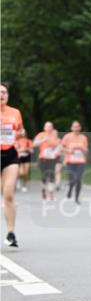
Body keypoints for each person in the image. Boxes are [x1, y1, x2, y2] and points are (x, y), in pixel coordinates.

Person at [1, 83, 24, 247]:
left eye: (4, 92)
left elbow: (21, 130)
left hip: (10, 154)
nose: (1, 95)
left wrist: (20, 134)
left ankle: (11, 233)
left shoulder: (15, 112)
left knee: (8, 194)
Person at [61, 121, 89, 203]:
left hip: (80, 161)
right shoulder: (67, 137)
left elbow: (86, 150)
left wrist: (84, 150)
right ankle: (70, 189)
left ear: (80, 128)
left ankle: (77, 198)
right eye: (74, 127)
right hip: (70, 161)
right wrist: (69, 150)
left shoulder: (83, 138)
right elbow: (61, 148)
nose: (76, 128)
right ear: (71, 128)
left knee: (78, 179)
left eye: (77, 127)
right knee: (71, 180)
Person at [34, 122, 60, 201]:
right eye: (47, 126)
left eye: (51, 126)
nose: (49, 128)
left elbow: (59, 145)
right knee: (44, 177)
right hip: (43, 158)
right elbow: (34, 144)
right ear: (44, 128)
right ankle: (43, 190)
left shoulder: (55, 135)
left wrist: (55, 151)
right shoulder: (40, 135)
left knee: (51, 176)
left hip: (52, 158)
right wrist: (43, 140)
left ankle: (51, 194)